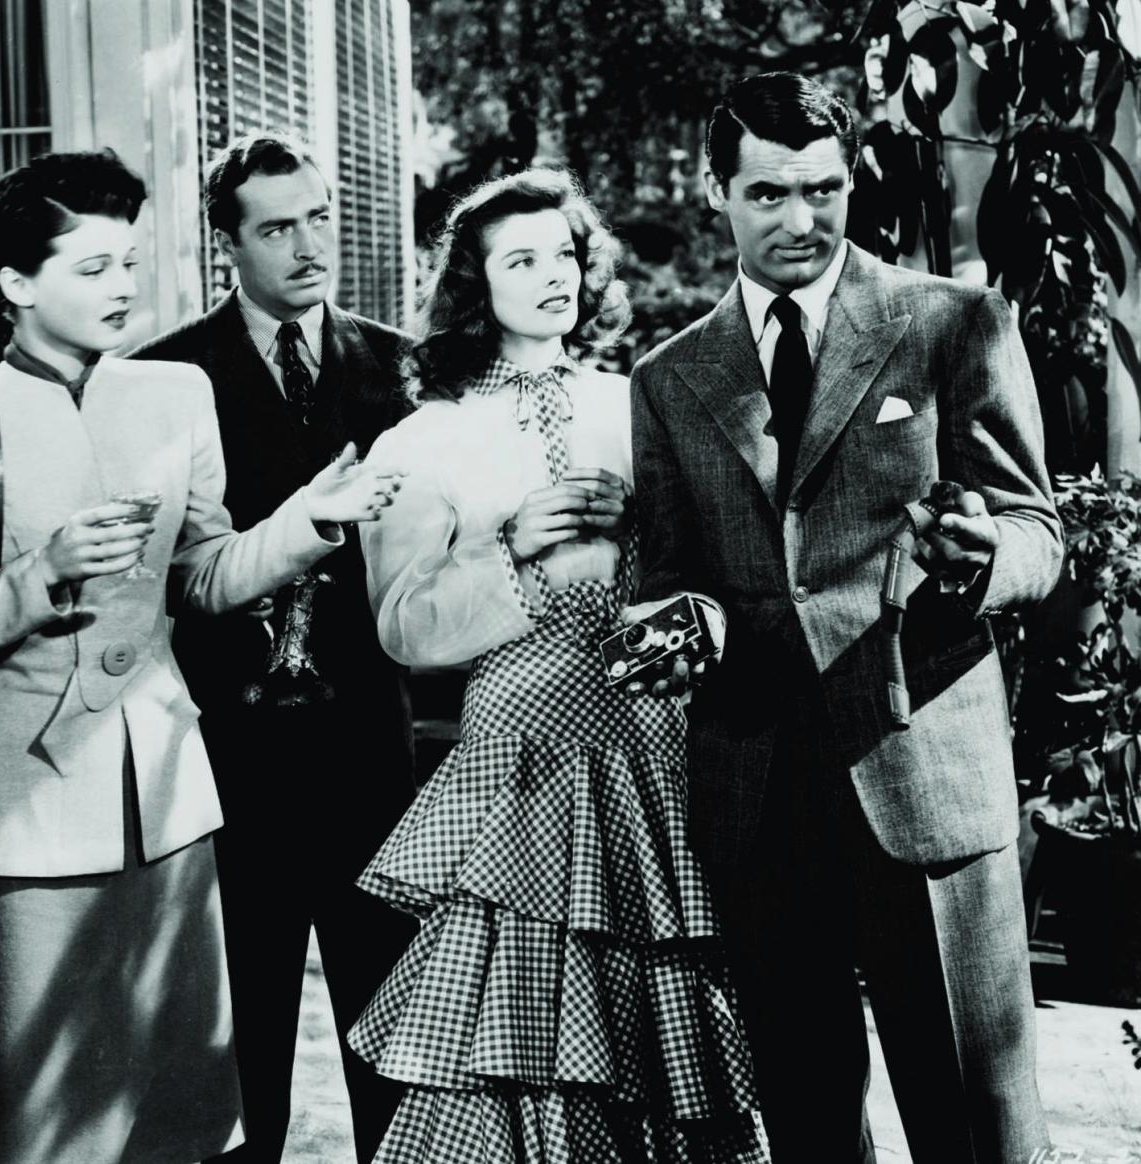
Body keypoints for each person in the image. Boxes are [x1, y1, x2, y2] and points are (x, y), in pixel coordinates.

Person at [0, 149, 404, 1164]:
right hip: (29, 807)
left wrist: (310, 518)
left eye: (127, 263)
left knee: (179, 1115)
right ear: (15, 284)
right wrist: (41, 572)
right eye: (92, 268)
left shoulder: (174, 394)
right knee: (47, 1114)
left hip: (170, 801)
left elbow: (206, 576)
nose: (121, 286)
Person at [630, 71, 1061, 1162]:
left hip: (924, 774)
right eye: (767, 193)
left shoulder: (952, 321)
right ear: (717, 193)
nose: (800, 219)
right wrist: (684, 625)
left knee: (976, 1124)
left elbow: (1036, 530)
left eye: (822, 189)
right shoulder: (669, 377)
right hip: (759, 791)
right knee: (809, 1122)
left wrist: (982, 561)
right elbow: (672, 577)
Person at [346, 168, 769, 1163]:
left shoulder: (643, 401)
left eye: (566, 254)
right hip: (521, 757)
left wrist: (647, 532)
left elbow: (718, 571)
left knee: (667, 1005)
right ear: (474, 283)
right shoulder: (423, 438)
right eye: (521, 260)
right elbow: (402, 628)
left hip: (652, 740)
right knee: (526, 1010)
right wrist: (512, 546)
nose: (554, 276)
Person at [132, 132, 418, 1163]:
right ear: (227, 242)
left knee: (390, 1028)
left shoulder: (399, 366)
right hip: (228, 756)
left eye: (319, 218)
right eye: (277, 228)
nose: (308, 246)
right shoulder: (163, 376)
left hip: (369, 751)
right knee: (241, 1032)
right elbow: (166, 576)